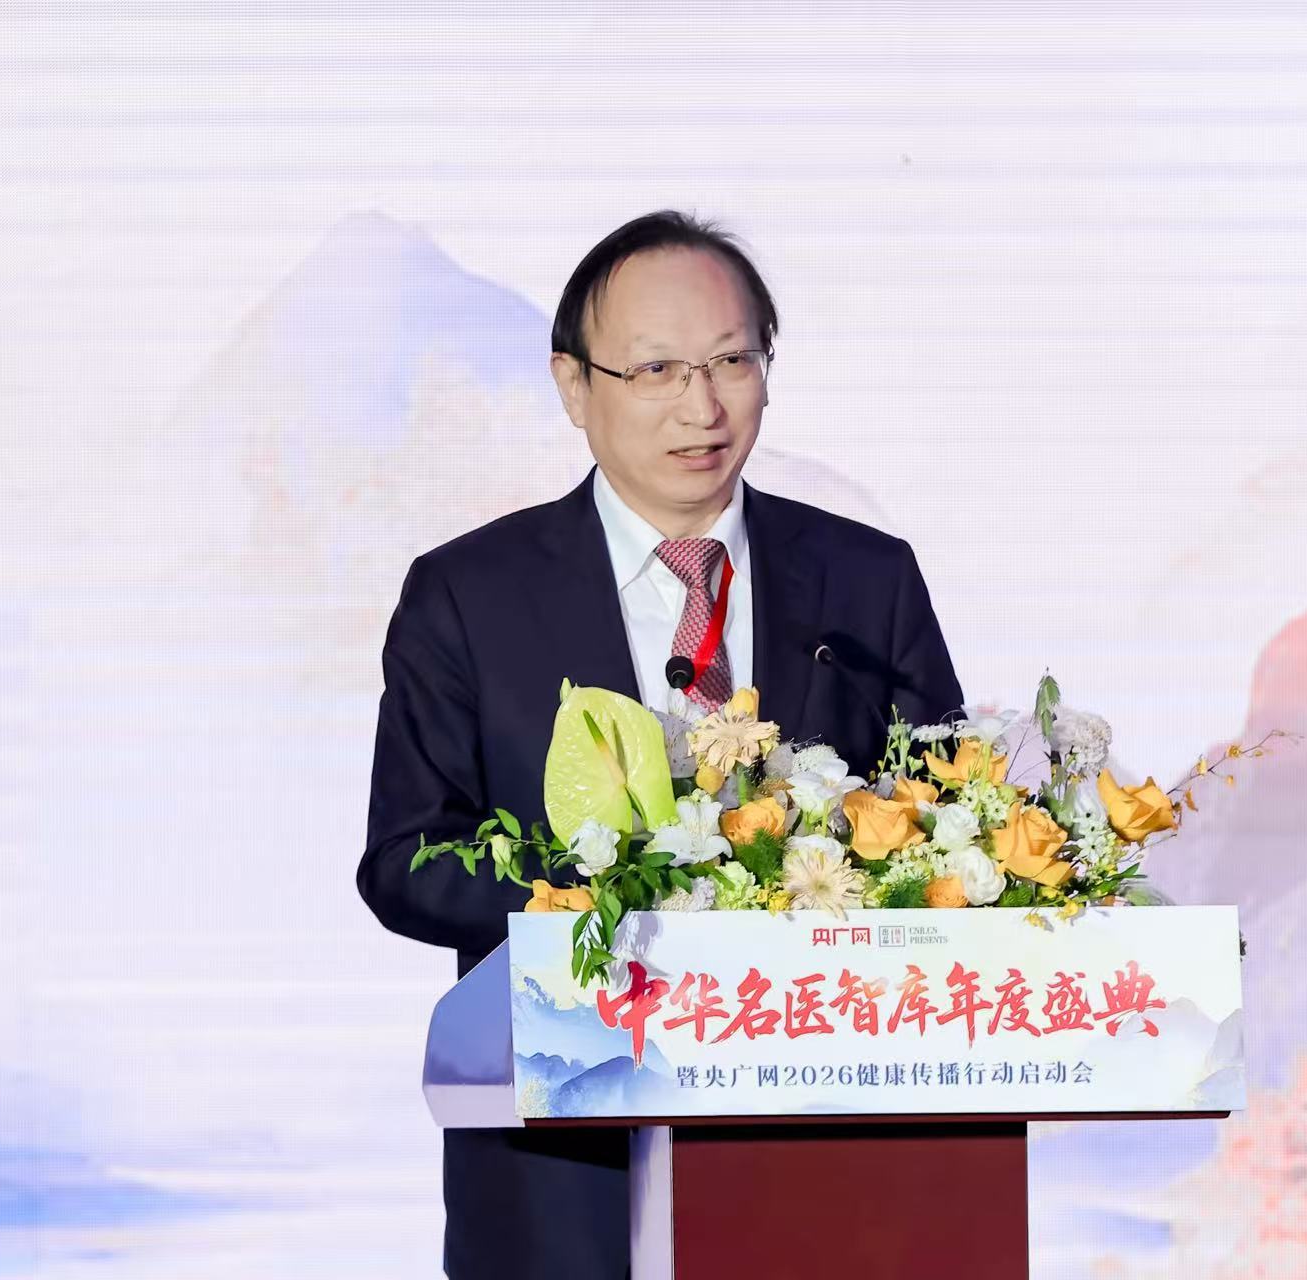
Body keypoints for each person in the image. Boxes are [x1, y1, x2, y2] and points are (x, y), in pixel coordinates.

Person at [356, 210, 963, 1279]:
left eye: (732, 360)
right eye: (656, 370)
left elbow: (948, 817)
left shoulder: (866, 580)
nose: (702, 404)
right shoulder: (470, 596)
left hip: (827, 1162)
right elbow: (407, 859)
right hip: (562, 1178)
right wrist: (616, 899)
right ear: (573, 385)